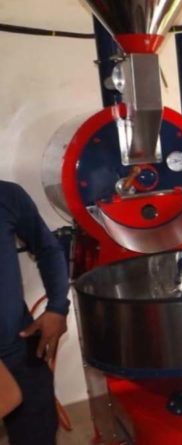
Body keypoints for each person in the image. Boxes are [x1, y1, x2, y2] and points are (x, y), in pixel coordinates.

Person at [1, 180, 70, 445]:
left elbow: (48, 249)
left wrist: (56, 308)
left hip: (18, 349)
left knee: (38, 435)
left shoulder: (7, 195)